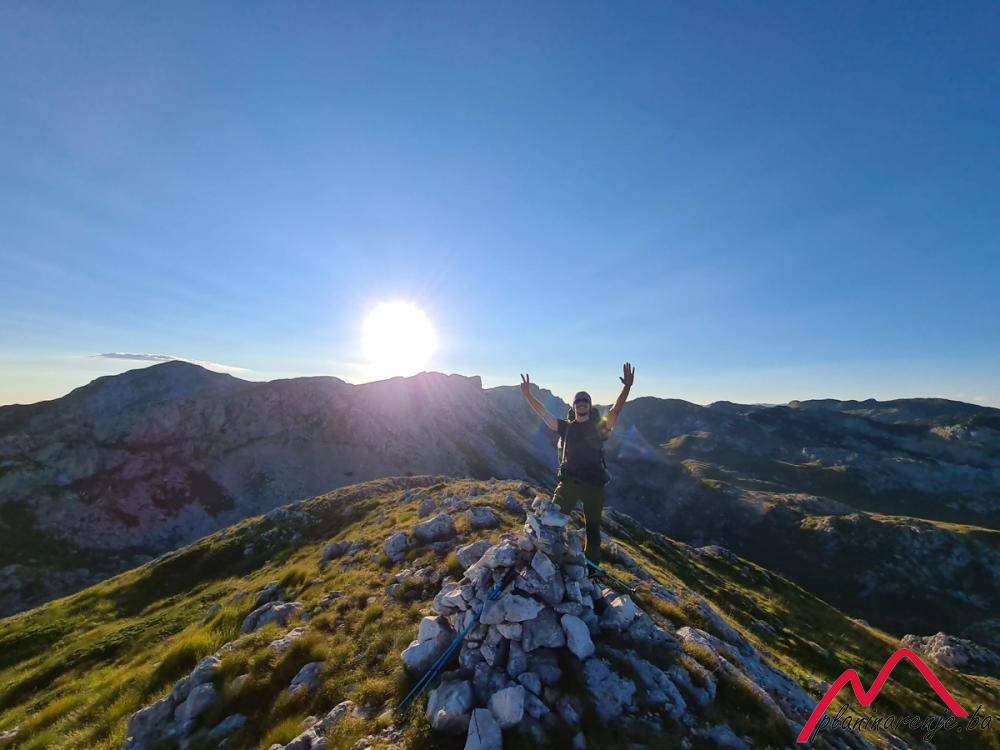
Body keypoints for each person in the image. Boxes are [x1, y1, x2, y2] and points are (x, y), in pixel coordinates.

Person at [519, 362, 635, 565]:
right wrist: (528, 395)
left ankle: (591, 568)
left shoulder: (599, 427)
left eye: (585, 400)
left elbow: (615, 411)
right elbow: (543, 413)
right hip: (568, 485)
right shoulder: (564, 427)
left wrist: (626, 387)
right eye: (578, 401)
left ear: (590, 405)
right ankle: (547, 558)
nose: (582, 403)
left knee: (593, 530)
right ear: (573, 406)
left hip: (594, 485)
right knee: (551, 521)